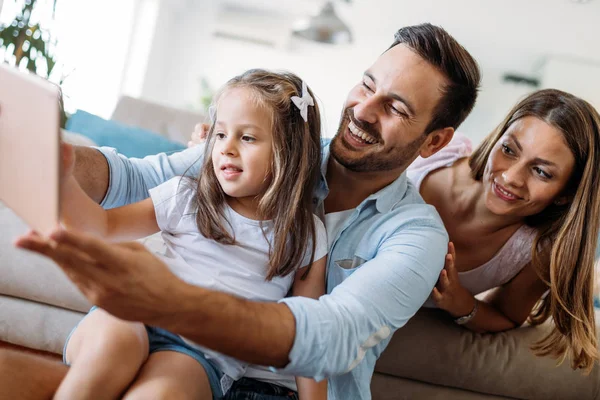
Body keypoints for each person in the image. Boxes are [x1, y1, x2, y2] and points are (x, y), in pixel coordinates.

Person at [5, 23, 481, 400]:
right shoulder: (267, 154)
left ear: (435, 141)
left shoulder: (416, 235)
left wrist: (171, 300)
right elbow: (134, 178)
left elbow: (333, 334)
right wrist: (52, 156)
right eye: (366, 85)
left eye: (394, 107)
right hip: (151, 340)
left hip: (254, 381)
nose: (362, 110)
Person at [29, 69, 329, 400]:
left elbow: (308, 334)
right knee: (115, 346)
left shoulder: (305, 235)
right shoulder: (185, 196)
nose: (226, 148)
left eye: (247, 138)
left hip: (202, 357)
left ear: (288, 152)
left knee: (161, 394)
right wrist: (63, 178)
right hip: (131, 317)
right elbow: (103, 226)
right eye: (219, 134)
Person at [406, 88, 600, 372]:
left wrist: (460, 302)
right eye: (509, 150)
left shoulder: (537, 251)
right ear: (497, 138)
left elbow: (507, 317)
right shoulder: (435, 153)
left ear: (566, 194)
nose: (511, 177)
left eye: (541, 172)